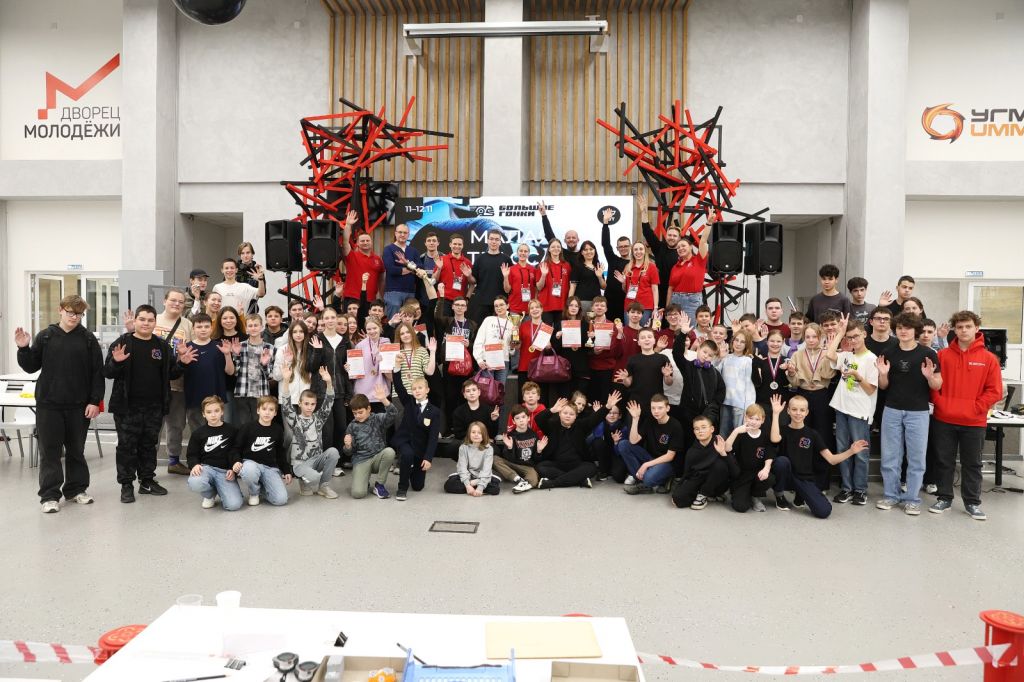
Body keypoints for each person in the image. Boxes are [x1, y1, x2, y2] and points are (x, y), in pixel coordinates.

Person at [15, 294, 104, 513]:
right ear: (60, 310)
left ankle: (76, 490)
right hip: (49, 405)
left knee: (76, 450)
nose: (74, 317)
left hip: (78, 406)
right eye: (70, 312)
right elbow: (31, 367)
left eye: (79, 314)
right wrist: (24, 349)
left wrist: (94, 401)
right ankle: (49, 495)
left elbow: (97, 373)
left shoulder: (88, 339)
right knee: (50, 452)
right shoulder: (45, 336)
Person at [105, 305, 194, 504]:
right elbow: (108, 372)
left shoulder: (161, 346)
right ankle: (126, 484)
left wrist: (183, 362)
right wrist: (116, 362)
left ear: (155, 322)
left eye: (150, 320)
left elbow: (172, 374)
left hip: (154, 407)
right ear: (135, 321)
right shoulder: (122, 343)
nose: (146, 323)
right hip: (127, 408)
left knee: (149, 445)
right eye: (142, 319)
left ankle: (146, 481)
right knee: (127, 448)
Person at [929, 311, 1003, 520]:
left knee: (972, 463)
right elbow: (933, 385)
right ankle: (944, 498)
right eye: (959, 327)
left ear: (976, 328)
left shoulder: (989, 359)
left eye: (968, 326)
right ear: (954, 329)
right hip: (944, 419)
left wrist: (976, 408)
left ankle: (972, 502)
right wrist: (942, 404)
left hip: (974, 421)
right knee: (944, 461)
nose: (963, 330)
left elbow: (994, 391)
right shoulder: (942, 356)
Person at [874, 313, 942, 515]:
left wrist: (930, 377)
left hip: (918, 412)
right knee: (890, 456)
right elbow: (883, 386)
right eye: (900, 328)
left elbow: (937, 385)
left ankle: (912, 499)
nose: (903, 331)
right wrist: (883, 374)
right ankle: (891, 495)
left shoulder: (928, 354)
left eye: (908, 328)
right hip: (892, 410)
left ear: (916, 330)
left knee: (916, 458)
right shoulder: (888, 352)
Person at [769, 394, 869, 518]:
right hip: (787, 476)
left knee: (824, 511)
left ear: (807, 412)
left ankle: (800, 496)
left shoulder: (812, 434)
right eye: (794, 409)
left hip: (804, 479)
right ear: (788, 411)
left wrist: (851, 451)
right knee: (781, 462)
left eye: (802, 410)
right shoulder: (782, 430)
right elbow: (774, 439)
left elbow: (831, 459)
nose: (798, 413)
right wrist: (775, 414)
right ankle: (779, 496)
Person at [826, 319, 878, 506]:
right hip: (842, 408)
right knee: (843, 450)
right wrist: (840, 333)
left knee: (860, 452)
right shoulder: (847, 355)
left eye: (856, 336)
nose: (853, 340)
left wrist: (857, 376)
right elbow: (830, 354)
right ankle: (846, 488)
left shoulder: (871, 359)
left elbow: (871, 390)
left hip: (859, 412)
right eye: (849, 337)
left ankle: (860, 490)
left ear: (864, 334)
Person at [783, 322, 840, 491]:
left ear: (820, 337)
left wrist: (829, 354)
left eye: (814, 336)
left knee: (823, 437)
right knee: (800, 437)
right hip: (803, 395)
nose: (811, 340)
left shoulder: (827, 353)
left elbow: (828, 374)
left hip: (822, 396)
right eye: (807, 337)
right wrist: (791, 373)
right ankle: (798, 479)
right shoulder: (797, 354)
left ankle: (821, 482)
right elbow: (794, 382)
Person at [534, 391, 621, 489]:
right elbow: (538, 419)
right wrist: (552, 410)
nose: (568, 416)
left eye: (571, 414)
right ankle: (579, 480)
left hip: (577, 464)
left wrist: (608, 406)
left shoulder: (580, 426)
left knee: (591, 468)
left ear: (576, 416)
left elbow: (594, 419)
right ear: (560, 414)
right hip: (557, 464)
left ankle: (552, 483)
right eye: (565, 413)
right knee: (540, 467)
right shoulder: (552, 426)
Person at [281, 363, 339, 498]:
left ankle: (323, 487)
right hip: (299, 464)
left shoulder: (319, 419)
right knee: (314, 478)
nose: (309, 407)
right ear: (300, 403)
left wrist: (329, 382)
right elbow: (286, 405)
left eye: (312, 404)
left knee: (333, 452)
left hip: (316, 460)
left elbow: (329, 402)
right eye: (306, 404)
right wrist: (286, 380)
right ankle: (304, 481)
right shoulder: (294, 420)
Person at [671, 338, 726, 467]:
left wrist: (712, 407)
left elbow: (721, 391)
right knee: (687, 444)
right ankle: (684, 471)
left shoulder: (714, 373)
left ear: (713, 358)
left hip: (706, 416)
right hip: (687, 416)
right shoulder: (688, 366)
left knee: (705, 446)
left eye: (710, 355)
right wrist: (683, 333)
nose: (706, 356)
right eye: (704, 352)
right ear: (698, 349)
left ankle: (704, 470)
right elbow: (677, 354)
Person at [617, 395, 683, 495]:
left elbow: (670, 456)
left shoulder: (675, 426)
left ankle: (659, 479)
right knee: (623, 444)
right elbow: (633, 441)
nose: (656, 411)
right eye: (653, 408)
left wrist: (646, 465)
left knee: (649, 478)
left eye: (660, 408)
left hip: (667, 462)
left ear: (667, 408)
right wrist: (635, 419)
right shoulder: (650, 420)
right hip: (651, 458)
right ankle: (643, 482)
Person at [185, 396, 243, 511]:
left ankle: (221, 488)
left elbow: (237, 451)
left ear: (222, 412)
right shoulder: (198, 433)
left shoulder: (232, 431)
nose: (213, 415)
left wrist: (233, 469)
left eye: (216, 411)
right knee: (195, 482)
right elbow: (192, 455)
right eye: (209, 412)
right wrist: (195, 464)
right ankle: (209, 494)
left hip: (225, 472)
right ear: (203, 414)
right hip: (206, 469)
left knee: (234, 505)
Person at [391, 373, 441, 501]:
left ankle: (411, 468)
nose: (417, 391)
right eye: (414, 389)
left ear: (427, 390)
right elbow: (399, 387)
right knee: (407, 454)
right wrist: (396, 368)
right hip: (405, 442)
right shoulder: (409, 402)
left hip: (420, 449)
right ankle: (402, 488)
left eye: (420, 388)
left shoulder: (434, 412)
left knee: (418, 486)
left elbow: (433, 437)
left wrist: (428, 458)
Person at [234, 396, 292, 506]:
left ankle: (262, 488)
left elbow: (280, 452)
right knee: (249, 470)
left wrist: (286, 470)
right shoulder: (247, 427)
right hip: (251, 464)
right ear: (258, 410)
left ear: (275, 413)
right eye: (264, 409)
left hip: (270, 468)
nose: (267, 412)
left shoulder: (278, 429)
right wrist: (236, 460)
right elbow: (236, 447)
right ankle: (254, 493)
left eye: (271, 410)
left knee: (281, 500)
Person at [181, 313, 234, 432]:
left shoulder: (220, 346)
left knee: (217, 434)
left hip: (216, 398)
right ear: (193, 329)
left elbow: (230, 372)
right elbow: (178, 371)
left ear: (211, 328)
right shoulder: (186, 348)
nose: (203, 329)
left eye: (206, 326)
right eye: (199, 327)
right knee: (197, 433)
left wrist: (227, 354)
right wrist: (181, 356)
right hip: (194, 399)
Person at [343, 390, 399, 500]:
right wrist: (348, 446)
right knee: (358, 494)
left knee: (389, 452)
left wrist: (384, 400)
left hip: (378, 458)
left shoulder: (377, 419)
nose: (357, 416)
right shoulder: (352, 426)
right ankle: (364, 481)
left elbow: (393, 414)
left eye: (360, 412)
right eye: (354, 413)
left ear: (369, 409)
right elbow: (348, 452)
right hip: (361, 461)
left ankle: (379, 485)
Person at [722, 404, 776, 513]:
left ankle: (755, 496)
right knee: (740, 507)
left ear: (763, 420)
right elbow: (727, 449)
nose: (754, 422)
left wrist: (766, 469)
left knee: (770, 478)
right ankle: (739, 492)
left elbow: (769, 454)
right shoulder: (740, 434)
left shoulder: (765, 435)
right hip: (742, 476)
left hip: (757, 474)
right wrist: (736, 431)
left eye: (757, 419)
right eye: (751, 418)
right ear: (745, 418)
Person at [671, 416, 731, 510]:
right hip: (699, 478)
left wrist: (723, 453)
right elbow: (687, 474)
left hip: (717, 480)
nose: (700, 431)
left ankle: (705, 494)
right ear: (694, 431)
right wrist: (678, 492)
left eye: (703, 427)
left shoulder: (720, 443)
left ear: (712, 429)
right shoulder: (692, 451)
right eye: (697, 429)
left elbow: (735, 471)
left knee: (719, 465)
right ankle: (702, 494)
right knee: (678, 499)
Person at [318, 307, 352, 471]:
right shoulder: (317, 339)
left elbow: (348, 368)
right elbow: (311, 366)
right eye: (327, 318)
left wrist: (349, 368)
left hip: (339, 390)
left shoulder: (344, 341)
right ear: (323, 320)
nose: (330, 320)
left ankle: (337, 462)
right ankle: (327, 463)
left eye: (333, 317)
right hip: (323, 391)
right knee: (326, 429)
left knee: (341, 427)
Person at [638, 193, 682, 310]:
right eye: (669, 235)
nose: (671, 237)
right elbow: (647, 232)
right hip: (658, 290)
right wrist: (644, 212)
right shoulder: (659, 247)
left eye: (674, 236)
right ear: (666, 236)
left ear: (679, 238)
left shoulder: (683, 252)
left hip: (677, 292)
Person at [614, 328, 671, 414]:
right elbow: (628, 383)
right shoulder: (632, 359)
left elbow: (669, 383)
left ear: (654, 340)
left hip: (656, 402)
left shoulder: (663, 358)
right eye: (643, 337)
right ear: (638, 342)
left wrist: (667, 375)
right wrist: (625, 379)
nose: (646, 339)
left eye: (649, 337)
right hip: (635, 402)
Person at [232, 314, 275, 425]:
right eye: (250, 326)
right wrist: (236, 355)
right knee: (245, 425)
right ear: (246, 328)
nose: (253, 328)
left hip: (261, 393)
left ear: (262, 327)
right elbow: (235, 372)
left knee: (260, 424)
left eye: (256, 325)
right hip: (243, 392)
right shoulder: (240, 346)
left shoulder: (269, 348)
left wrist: (264, 364)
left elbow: (270, 375)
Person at [496, 405, 545, 493]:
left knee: (534, 481)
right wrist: (510, 448)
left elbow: (536, 460)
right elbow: (509, 459)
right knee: (494, 459)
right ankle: (517, 479)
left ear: (528, 418)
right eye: (517, 418)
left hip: (527, 467)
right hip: (513, 464)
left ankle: (523, 483)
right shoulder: (511, 436)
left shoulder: (534, 435)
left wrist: (539, 451)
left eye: (523, 417)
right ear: (513, 421)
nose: (521, 420)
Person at [340, 210, 385, 306]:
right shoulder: (351, 255)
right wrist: (348, 225)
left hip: (370, 300)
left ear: (371, 242)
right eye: (362, 241)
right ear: (357, 243)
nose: (365, 242)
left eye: (367, 240)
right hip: (352, 298)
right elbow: (345, 242)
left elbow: (381, 281)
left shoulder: (377, 259)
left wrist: (383, 298)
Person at [444, 421, 500, 496]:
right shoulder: (463, 447)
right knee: (448, 485)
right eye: (473, 432)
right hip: (468, 475)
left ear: (484, 435)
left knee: (495, 489)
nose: (476, 435)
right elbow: (462, 467)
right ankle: (472, 488)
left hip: (482, 476)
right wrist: (468, 485)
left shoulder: (489, 449)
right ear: (469, 434)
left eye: (479, 433)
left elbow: (486, 470)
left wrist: (480, 487)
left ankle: (477, 486)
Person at [718, 329, 756, 435]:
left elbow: (749, 385)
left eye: (742, 342)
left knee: (738, 434)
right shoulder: (725, 357)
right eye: (736, 340)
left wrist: (749, 406)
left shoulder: (748, 361)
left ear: (747, 344)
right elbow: (715, 373)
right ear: (732, 341)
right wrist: (719, 358)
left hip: (740, 404)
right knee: (723, 434)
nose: (738, 344)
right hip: (725, 401)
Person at [473, 294, 516, 386]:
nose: (499, 308)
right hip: (487, 360)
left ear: (507, 306)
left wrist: (513, 343)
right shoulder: (488, 320)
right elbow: (479, 340)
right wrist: (479, 359)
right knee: (487, 390)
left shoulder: (512, 324)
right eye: (496, 306)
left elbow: (511, 351)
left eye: (501, 305)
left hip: (503, 361)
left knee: (500, 391)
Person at [469, 229, 509, 326]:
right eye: (491, 239)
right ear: (487, 240)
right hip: (482, 302)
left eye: (496, 239)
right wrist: (468, 275)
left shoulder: (506, 259)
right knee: (481, 329)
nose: (494, 241)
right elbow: (473, 281)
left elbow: (509, 283)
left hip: (500, 303)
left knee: (500, 329)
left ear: (500, 242)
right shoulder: (480, 259)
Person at [382, 223, 422, 318]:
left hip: (410, 292)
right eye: (400, 232)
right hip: (393, 291)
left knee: (409, 320)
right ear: (395, 233)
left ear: (408, 235)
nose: (402, 235)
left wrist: (406, 267)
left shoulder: (414, 251)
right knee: (394, 320)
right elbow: (392, 269)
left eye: (405, 233)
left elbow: (420, 267)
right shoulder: (388, 249)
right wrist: (411, 269)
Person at [617, 242, 659, 327]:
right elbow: (625, 290)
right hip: (629, 305)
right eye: (635, 249)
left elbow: (655, 289)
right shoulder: (628, 267)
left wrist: (655, 308)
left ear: (645, 251)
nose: (638, 251)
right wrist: (623, 282)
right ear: (632, 252)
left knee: (643, 331)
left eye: (641, 249)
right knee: (629, 331)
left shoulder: (651, 267)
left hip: (645, 306)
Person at [434, 234, 475, 316]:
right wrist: (439, 269)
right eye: (455, 244)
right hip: (444, 299)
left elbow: (473, 283)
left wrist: (467, 298)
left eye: (459, 244)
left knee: (458, 324)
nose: (457, 246)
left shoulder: (467, 262)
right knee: (442, 323)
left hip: (460, 302)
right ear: (450, 244)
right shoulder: (442, 259)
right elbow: (434, 280)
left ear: (463, 245)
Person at [601, 215, 631, 319]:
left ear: (630, 246)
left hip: (627, 302)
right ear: (617, 248)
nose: (623, 248)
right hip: (610, 302)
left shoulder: (635, 264)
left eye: (626, 246)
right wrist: (605, 223)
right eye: (620, 247)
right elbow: (605, 244)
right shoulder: (613, 259)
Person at [537, 238, 572, 325]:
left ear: (561, 249)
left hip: (562, 305)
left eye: (558, 247)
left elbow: (571, 285)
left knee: (560, 332)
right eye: (553, 247)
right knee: (546, 332)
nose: (556, 249)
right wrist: (543, 275)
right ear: (549, 249)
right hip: (546, 306)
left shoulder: (567, 265)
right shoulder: (543, 265)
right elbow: (539, 287)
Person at [539, 199, 581, 266]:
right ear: (564, 240)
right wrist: (544, 215)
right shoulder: (561, 253)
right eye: (568, 238)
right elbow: (549, 234)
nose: (571, 239)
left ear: (578, 240)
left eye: (573, 237)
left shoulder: (583, 254)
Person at [503, 242, 539, 318]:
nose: (523, 253)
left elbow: (536, 289)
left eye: (525, 251)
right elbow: (507, 290)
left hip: (530, 309)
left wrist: (535, 304)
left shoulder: (533, 270)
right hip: (515, 309)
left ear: (528, 254)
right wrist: (505, 277)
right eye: (521, 251)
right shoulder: (511, 269)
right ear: (517, 253)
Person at [569, 241, 605, 313]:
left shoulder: (598, 266)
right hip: (582, 302)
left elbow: (603, 287)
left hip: (597, 303)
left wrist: (600, 277)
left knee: (596, 321)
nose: (588, 252)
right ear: (582, 252)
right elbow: (573, 286)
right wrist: (569, 303)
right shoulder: (577, 266)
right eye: (585, 250)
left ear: (594, 251)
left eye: (591, 249)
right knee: (581, 320)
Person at [236, 241, 263, 315]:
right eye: (242, 253)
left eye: (248, 253)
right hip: (235, 308)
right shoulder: (234, 269)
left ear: (252, 254)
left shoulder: (258, 270)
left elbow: (262, 293)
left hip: (251, 310)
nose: (245, 256)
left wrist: (260, 280)